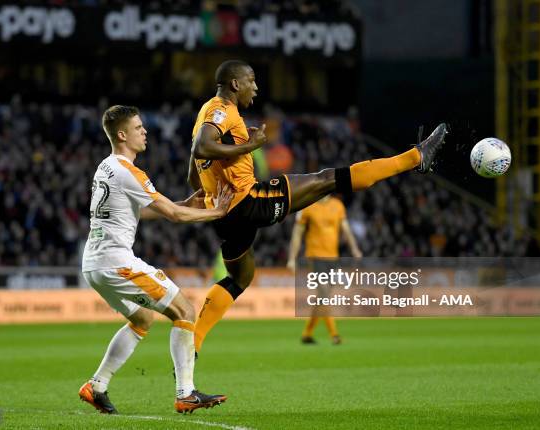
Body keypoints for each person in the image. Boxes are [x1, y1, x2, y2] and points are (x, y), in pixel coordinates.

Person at [187, 60, 448, 353]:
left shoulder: (206, 112)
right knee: (328, 179)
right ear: (235, 84)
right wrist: (250, 147)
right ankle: (416, 158)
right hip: (247, 202)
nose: (256, 87)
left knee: (241, 277)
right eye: (251, 80)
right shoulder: (222, 110)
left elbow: (192, 170)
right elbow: (202, 148)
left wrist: (206, 196)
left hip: (225, 215)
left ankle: (192, 344)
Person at [79, 105, 232, 415]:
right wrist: (217, 212)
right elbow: (174, 215)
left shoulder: (105, 167)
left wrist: (184, 205)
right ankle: (185, 393)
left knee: (143, 318)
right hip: (116, 262)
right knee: (185, 310)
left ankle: (97, 386)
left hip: (94, 264)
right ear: (122, 135)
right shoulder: (129, 171)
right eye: (138, 128)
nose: (145, 132)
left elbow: (144, 210)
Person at [287, 195, 362, 345]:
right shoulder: (307, 205)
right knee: (324, 295)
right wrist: (292, 258)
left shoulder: (338, 205)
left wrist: (354, 249)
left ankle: (307, 333)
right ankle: (334, 334)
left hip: (332, 258)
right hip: (315, 257)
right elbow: (297, 233)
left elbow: (345, 229)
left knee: (322, 299)